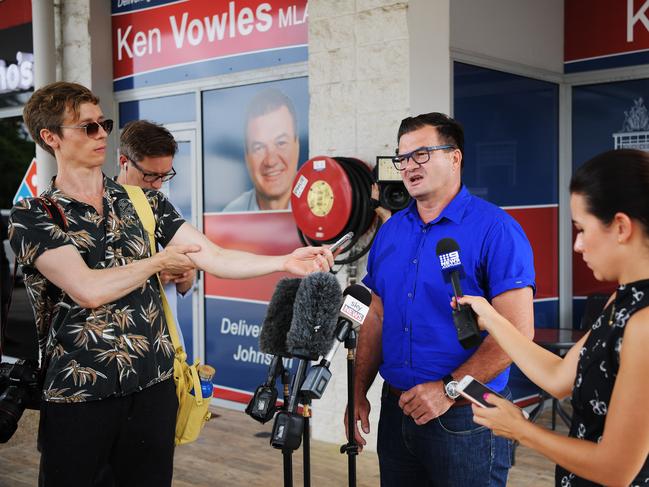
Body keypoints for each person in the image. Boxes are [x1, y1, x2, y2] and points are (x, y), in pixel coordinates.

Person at [8, 81, 333, 487]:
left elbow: (211, 255)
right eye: (87, 127)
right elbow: (86, 288)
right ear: (50, 137)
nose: (102, 134)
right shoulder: (35, 214)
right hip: (79, 396)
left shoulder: (145, 202)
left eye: (103, 123)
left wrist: (284, 260)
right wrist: (158, 261)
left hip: (152, 388)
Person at [349, 112, 536, 486]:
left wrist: (449, 389)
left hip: (467, 418)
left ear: (455, 157)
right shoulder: (390, 233)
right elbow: (376, 317)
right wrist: (357, 393)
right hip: (397, 411)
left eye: (421, 154)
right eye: (402, 158)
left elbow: (517, 332)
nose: (409, 166)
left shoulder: (496, 229)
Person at [457, 149, 649, 486]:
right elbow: (559, 376)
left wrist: (522, 430)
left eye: (582, 228)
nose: (577, 244)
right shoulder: (622, 299)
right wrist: (491, 318)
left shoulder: (645, 324)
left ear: (620, 226)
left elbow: (617, 469)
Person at [116, 120, 194, 351]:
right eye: (150, 176)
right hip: (124, 348)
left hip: (168, 344)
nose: (159, 185)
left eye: (165, 175)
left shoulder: (167, 208)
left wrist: (186, 278)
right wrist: (151, 274)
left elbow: (186, 281)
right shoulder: (98, 212)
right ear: (124, 162)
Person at [223, 88, 299, 212]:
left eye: (281, 143)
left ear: (297, 145)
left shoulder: (320, 208)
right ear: (247, 156)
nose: (271, 161)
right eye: (259, 147)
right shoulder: (230, 215)